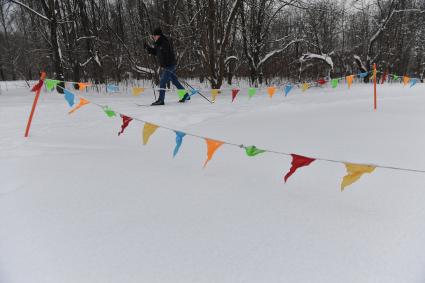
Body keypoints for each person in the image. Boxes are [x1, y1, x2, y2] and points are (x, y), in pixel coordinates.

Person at [144, 27, 189, 106]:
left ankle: (161, 100)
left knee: (162, 81)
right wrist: (148, 48)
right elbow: (155, 52)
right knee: (174, 81)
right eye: (153, 36)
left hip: (169, 65)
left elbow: (168, 54)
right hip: (168, 65)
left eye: (154, 36)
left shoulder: (164, 42)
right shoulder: (158, 43)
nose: (153, 37)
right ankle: (185, 95)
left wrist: (166, 63)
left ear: (158, 35)